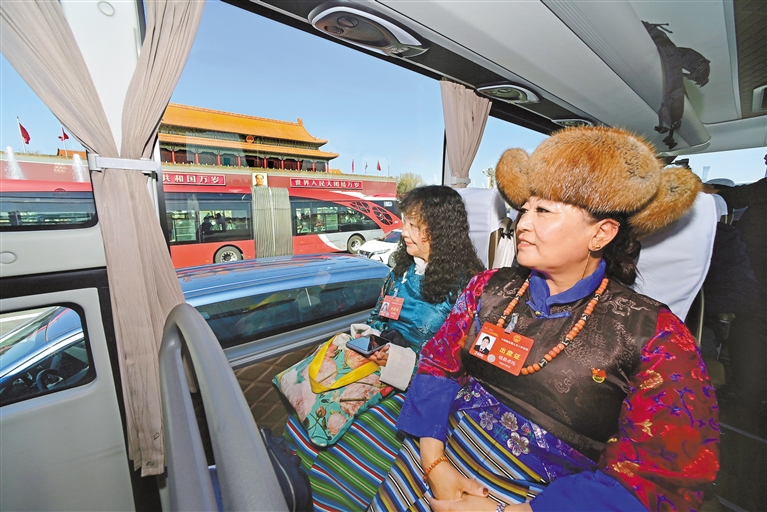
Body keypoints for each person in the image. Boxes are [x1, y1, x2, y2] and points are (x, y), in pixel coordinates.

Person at [373, 126, 719, 512]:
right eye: (524, 209)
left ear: (601, 233)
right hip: (438, 451)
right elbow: (438, 365)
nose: (522, 223)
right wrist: (435, 464)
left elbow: (661, 478)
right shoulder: (488, 288)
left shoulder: (658, 337)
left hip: (546, 496)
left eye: (543, 211)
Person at [283, 185, 485, 511]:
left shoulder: (468, 288)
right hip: (374, 365)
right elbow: (376, 318)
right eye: (406, 222)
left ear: (442, 230)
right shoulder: (401, 271)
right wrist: (369, 340)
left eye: (415, 225)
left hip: (421, 386)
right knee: (310, 406)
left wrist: (398, 362)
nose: (404, 232)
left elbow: (462, 367)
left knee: (350, 447)